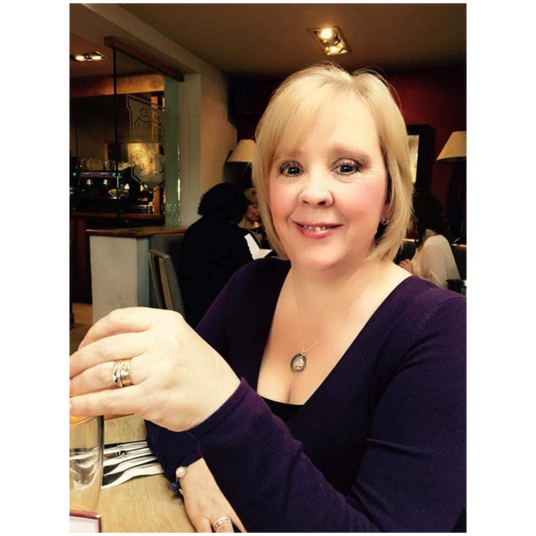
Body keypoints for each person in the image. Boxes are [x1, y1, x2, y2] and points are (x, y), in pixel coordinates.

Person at [66, 64, 470, 535]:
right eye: (291, 168)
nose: (313, 192)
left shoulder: (445, 332)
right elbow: (168, 412)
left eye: (347, 166)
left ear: (389, 196)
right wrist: (193, 466)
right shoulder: (251, 284)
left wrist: (223, 406)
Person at [178, 183, 253, 328]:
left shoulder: (194, 229)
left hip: (193, 304)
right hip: (219, 309)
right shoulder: (231, 234)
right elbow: (247, 270)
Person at [399, 192, 461, 288]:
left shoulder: (433, 243)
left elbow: (439, 287)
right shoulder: (425, 241)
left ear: (417, 218)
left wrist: (410, 275)